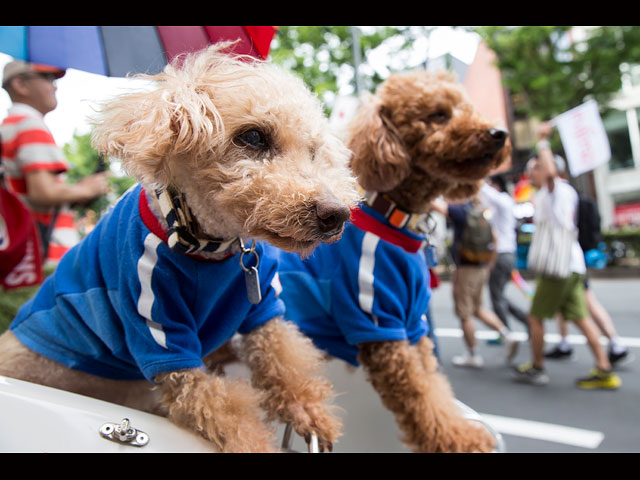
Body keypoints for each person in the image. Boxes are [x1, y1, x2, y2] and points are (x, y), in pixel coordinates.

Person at [513, 122, 621, 389]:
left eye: (533, 170)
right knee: (581, 319)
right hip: (573, 266)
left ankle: (537, 368)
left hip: (557, 268)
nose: (531, 176)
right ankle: (604, 369)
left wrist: (542, 142)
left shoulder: (557, 190)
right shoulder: (555, 194)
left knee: (535, 317)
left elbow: (550, 172)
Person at [0, 60, 109, 265]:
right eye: (47, 78)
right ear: (20, 85)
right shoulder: (30, 124)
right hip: (48, 255)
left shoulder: (9, 126)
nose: (54, 86)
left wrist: (75, 193)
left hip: (24, 255)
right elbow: (43, 193)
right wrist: (87, 189)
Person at [542, 158, 633, 368]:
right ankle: (569, 344)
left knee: (584, 310)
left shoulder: (561, 193)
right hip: (572, 262)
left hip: (568, 263)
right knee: (572, 307)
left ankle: (611, 349)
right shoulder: (568, 194)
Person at [431, 196, 518, 368]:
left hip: (466, 268)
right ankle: (507, 335)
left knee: (464, 314)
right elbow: (495, 238)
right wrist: (489, 265)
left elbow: (434, 204)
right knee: (477, 308)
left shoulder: (459, 211)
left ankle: (472, 354)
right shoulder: (479, 211)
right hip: (482, 267)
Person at [479, 175, 529, 336]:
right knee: (498, 295)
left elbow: (488, 194)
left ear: (497, 186)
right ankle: (522, 321)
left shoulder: (504, 201)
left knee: (496, 297)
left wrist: (477, 179)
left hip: (501, 255)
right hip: (505, 255)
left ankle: (505, 333)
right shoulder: (498, 206)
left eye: (490, 184)